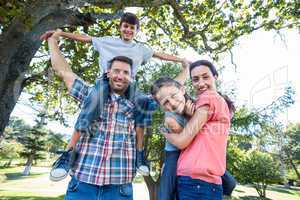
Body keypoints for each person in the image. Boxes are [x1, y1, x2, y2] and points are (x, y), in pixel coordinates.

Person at [41, 12, 186, 178]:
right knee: (95, 99)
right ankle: (68, 152)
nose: (128, 30)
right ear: (120, 27)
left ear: (137, 30)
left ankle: (140, 154)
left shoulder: (141, 49)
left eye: (132, 27)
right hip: (104, 83)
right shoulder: (108, 41)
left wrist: (180, 60)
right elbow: (85, 38)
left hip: (130, 86)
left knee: (144, 104)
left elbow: (160, 55)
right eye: (125, 26)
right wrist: (59, 35)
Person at [47, 31, 139, 199]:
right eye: (116, 71)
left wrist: (185, 68)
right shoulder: (91, 94)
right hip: (83, 184)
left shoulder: (138, 104)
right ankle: (65, 157)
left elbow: (170, 92)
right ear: (108, 73)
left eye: (126, 72)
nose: (120, 75)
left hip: (118, 189)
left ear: (131, 77)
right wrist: (52, 41)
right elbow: (63, 71)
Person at [151, 60, 235, 199]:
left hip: (196, 168)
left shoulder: (197, 102)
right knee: (165, 193)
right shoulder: (170, 118)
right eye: (195, 79)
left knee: (229, 182)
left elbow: (172, 86)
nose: (171, 102)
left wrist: (186, 67)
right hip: (174, 153)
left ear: (183, 90)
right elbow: (185, 140)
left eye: (205, 77)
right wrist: (166, 132)